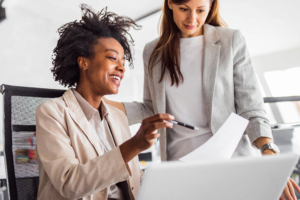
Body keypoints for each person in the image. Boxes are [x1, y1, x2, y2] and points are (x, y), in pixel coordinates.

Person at [104, 0, 300, 199]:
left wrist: (269, 152)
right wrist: (96, 104)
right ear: (170, 3)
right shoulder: (153, 51)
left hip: (230, 164)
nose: (192, 19)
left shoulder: (231, 41)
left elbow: (251, 108)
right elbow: (150, 108)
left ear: (211, 6)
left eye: (200, 10)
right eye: (184, 9)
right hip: (180, 169)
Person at [35, 5, 174, 200]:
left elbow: (134, 181)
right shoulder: (51, 113)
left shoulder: (117, 117)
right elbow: (69, 183)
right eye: (112, 58)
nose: (121, 68)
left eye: (124, 62)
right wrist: (134, 145)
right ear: (84, 62)